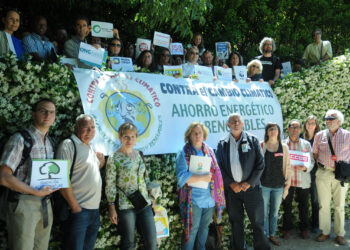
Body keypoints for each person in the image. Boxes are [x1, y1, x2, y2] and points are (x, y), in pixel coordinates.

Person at [0, 98, 57, 250]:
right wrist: (34, 191)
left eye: (51, 112)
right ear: (33, 114)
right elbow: (4, 177)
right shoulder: (20, 139)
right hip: (23, 203)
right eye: (43, 110)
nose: (47, 114)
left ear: (55, 117)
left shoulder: (51, 142)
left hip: (46, 204)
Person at [216, 113, 270, 250]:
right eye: (233, 121)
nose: (236, 123)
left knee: (257, 222)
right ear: (228, 124)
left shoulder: (252, 140)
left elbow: (260, 164)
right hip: (233, 191)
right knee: (236, 223)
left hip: (251, 189)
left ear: (243, 123)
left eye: (238, 121)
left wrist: (250, 182)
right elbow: (219, 167)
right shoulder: (222, 143)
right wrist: (230, 183)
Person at [56, 114, 105, 250]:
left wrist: (100, 163)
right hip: (78, 211)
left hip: (93, 212)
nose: (90, 132)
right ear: (75, 128)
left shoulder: (89, 147)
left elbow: (85, 171)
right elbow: (61, 179)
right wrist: (76, 208)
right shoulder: (68, 145)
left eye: (92, 128)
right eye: (85, 128)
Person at [105, 122, 157, 250]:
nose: (130, 140)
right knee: (128, 244)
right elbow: (110, 183)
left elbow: (145, 178)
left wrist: (152, 198)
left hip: (144, 203)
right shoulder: (114, 158)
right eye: (126, 137)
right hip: (125, 205)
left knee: (152, 243)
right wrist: (111, 206)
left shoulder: (139, 154)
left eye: (133, 136)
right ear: (120, 137)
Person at [176, 122, 225, 250]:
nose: (198, 136)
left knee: (204, 229)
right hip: (193, 200)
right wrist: (202, 178)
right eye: (195, 133)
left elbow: (216, 172)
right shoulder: (184, 153)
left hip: (209, 199)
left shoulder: (209, 151)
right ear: (189, 135)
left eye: (200, 133)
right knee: (192, 230)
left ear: (204, 135)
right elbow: (181, 177)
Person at [313, 109, 350, 245]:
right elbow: (315, 153)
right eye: (326, 118)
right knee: (323, 205)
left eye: (331, 118)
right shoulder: (319, 135)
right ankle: (325, 232)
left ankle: (340, 234)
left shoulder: (348, 135)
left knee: (339, 205)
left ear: (339, 122)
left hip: (341, 174)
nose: (327, 120)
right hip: (323, 172)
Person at [282, 120, 314, 240]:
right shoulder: (283, 144)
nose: (295, 129)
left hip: (302, 179)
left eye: (297, 127)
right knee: (286, 205)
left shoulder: (306, 144)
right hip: (288, 180)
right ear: (288, 129)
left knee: (304, 206)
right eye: (292, 127)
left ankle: (304, 229)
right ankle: (286, 229)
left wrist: (306, 167)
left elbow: (311, 160)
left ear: (301, 129)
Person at [260, 123, 291, 246]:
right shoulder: (262, 145)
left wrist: (287, 184)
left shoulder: (284, 147)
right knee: (263, 212)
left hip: (279, 186)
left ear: (279, 132)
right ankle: (265, 235)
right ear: (267, 132)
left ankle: (272, 234)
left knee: (274, 212)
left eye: (275, 129)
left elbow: (288, 166)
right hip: (264, 185)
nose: (273, 131)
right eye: (270, 129)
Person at [302, 115, 321, 233]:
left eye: (313, 123)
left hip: (316, 173)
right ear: (305, 124)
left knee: (315, 200)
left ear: (316, 125)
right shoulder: (300, 137)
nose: (310, 125)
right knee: (303, 201)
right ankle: (304, 226)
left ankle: (315, 225)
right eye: (308, 122)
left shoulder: (319, 138)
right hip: (303, 173)